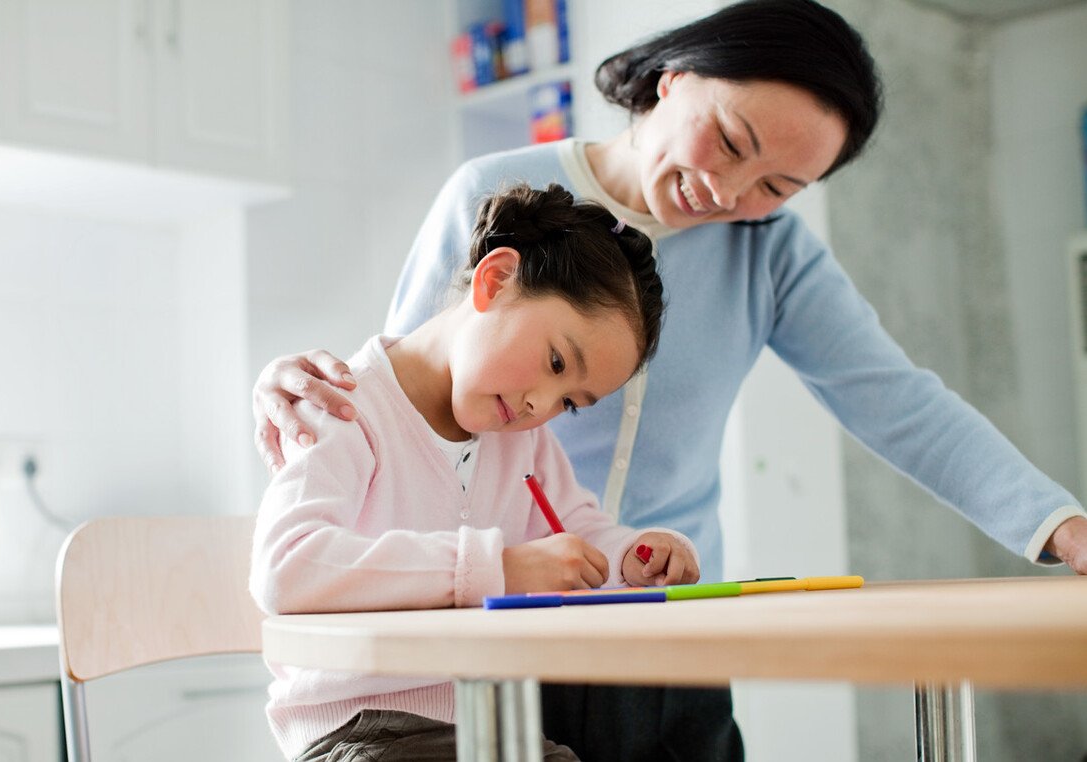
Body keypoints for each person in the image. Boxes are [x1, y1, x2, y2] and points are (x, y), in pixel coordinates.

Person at [251, 0, 1087, 760]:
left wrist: (1060, 524)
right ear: (674, 79)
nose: (728, 192)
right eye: (729, 141)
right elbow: (420, 394)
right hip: (517, 636)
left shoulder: (771, 254)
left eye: (776, 187)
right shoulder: (496, 196)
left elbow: (899, 402)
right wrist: (297, 380)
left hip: (672, 627)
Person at [249, 182, 700, 762]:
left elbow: (579, 533)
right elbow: (286, 569)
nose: (543, 405)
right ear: (495, 280)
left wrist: (641, 554)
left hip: (486, 722)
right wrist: (498, 568)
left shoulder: (523, 441)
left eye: (570, 402)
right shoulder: (343, 407)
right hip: (363, 731)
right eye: (557, 362)